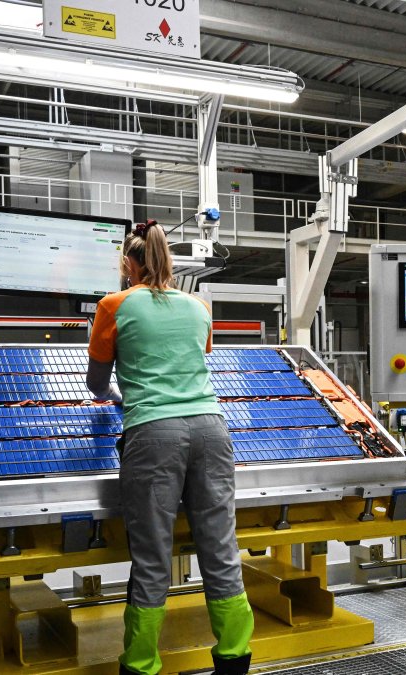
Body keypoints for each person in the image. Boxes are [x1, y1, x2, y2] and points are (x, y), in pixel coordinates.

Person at [87, 221, 254, 675]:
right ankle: (235, 659)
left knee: (152, 556)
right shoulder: (199, 308)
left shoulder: (113, 305)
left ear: (128, 264)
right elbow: (194, 360)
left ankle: (141, 664)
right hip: (212, 431)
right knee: (221, 548)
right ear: (171, 263)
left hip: (153, 435)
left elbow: (97, 383)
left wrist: (119, 397)